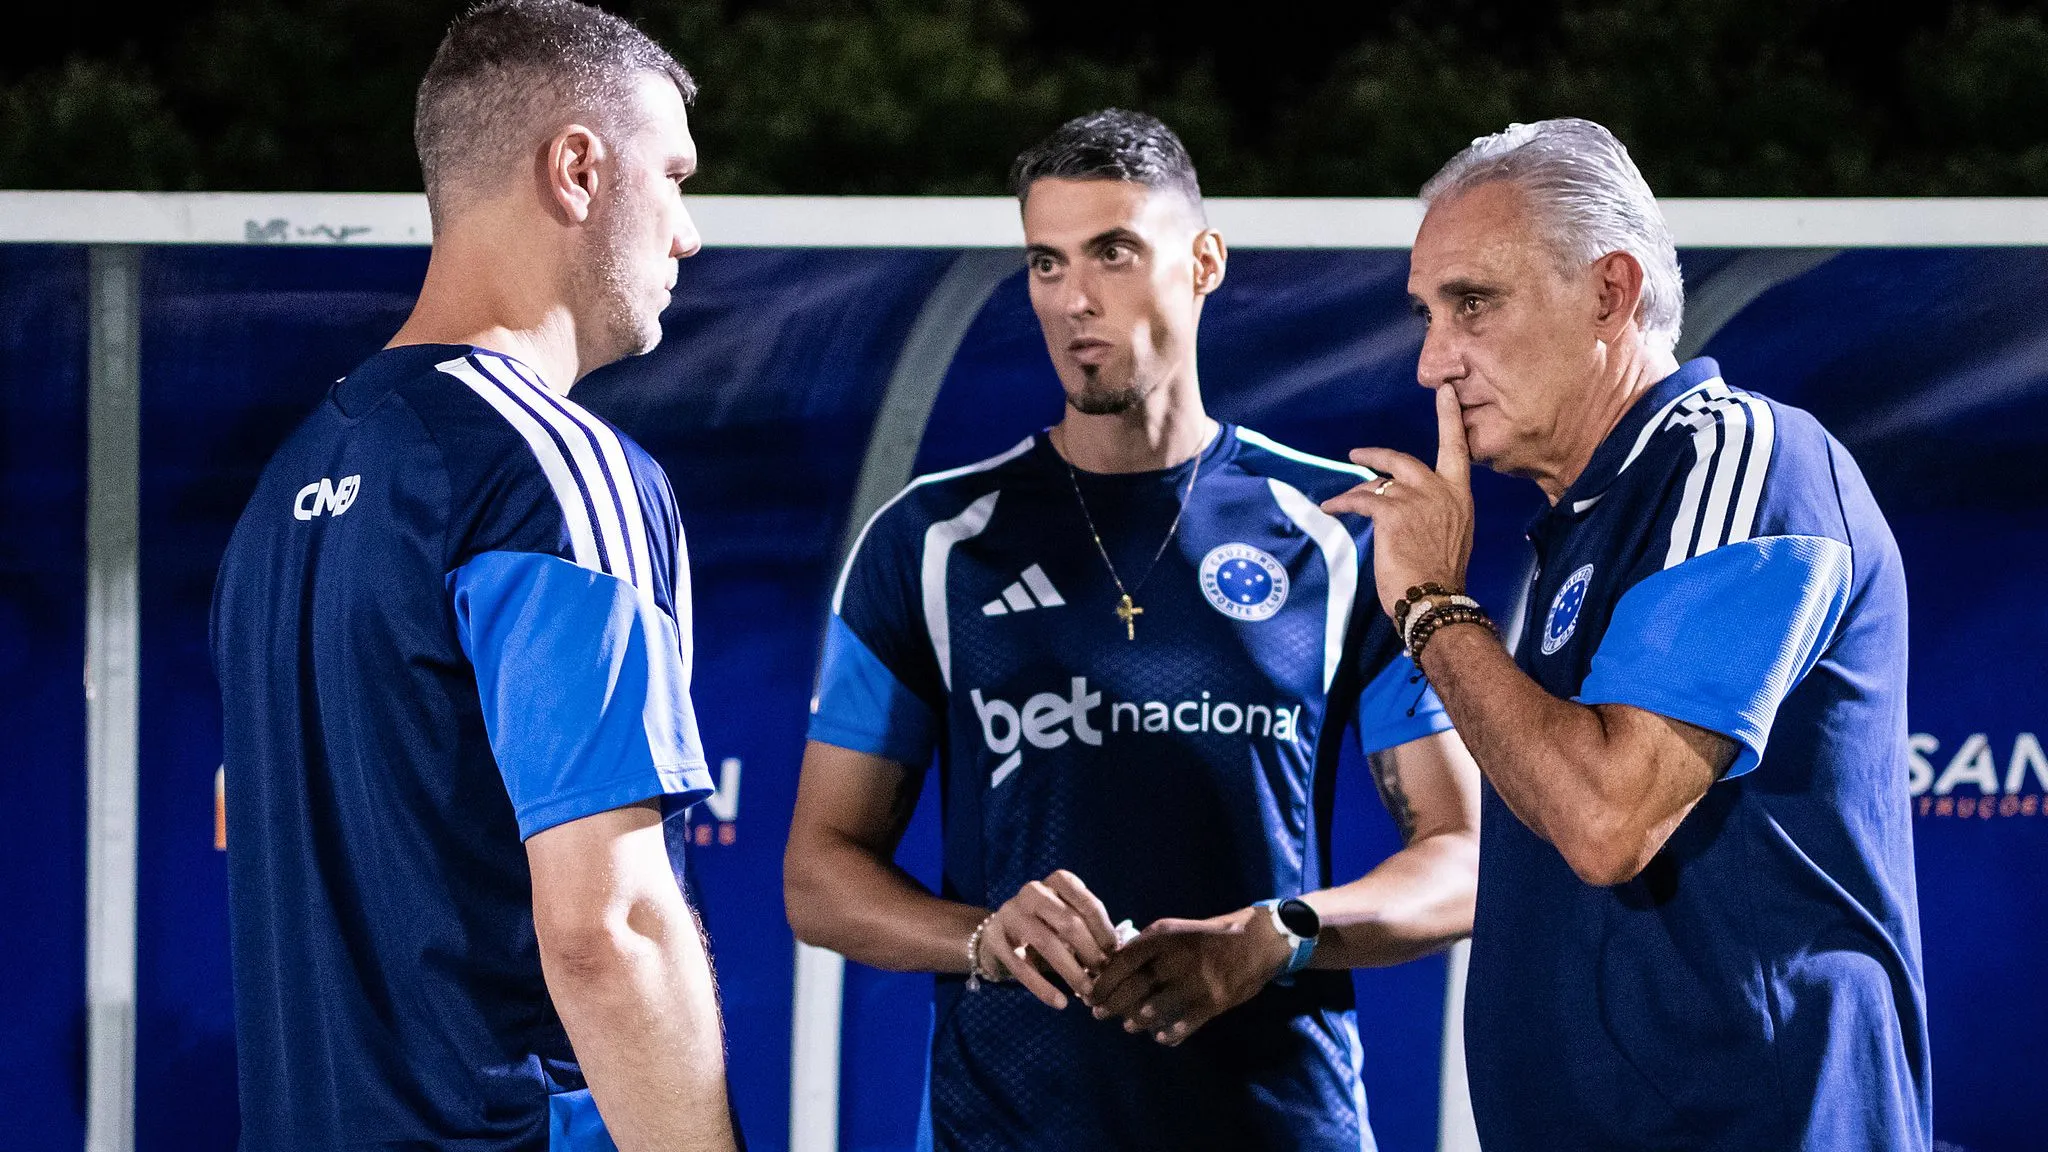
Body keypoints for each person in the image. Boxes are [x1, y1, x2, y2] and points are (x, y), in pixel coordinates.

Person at [784, 108, 1481, 1151]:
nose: (1073, 298)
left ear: (1203, 263)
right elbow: (817, 874)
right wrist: (979, 938)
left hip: (1277, 1127)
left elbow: (1461, 856)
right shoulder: (931, 540)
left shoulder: (1338, 531)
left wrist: (1275, 937)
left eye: (1112, 253)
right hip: (1005, 1131)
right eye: (1045, 263)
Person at [1323, 117, 1930, 1150]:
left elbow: (1607, 820)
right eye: (1427, 313)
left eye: (1473, 304)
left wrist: (1428, 602)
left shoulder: (1740, 457)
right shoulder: (1585, 523)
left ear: (1610, 292)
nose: (1431, 363)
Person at [210, 2, 738, 1149]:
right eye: (674, 178)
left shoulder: (283, 490)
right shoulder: (551, 469)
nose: (688, 235)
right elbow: (611, 929)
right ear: (578, 170)